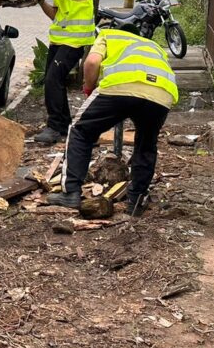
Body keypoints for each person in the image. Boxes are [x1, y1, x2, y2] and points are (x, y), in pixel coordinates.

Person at [46, 29, 178, 216]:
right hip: (161, 94)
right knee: (146, 144)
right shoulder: (153, 46)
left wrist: (89, 87)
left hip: (120, 86)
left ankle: (71, 192)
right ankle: (136, 201)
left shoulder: (108, 34)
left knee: (80, 130)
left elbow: (92, 62)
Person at [20, 0, 96, 144]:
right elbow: (55, 15)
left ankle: (54, 127)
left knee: (53, 80)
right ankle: (63, 124)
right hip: (58, 42)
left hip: (74, 43)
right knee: (53, 81)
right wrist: (41, 2)